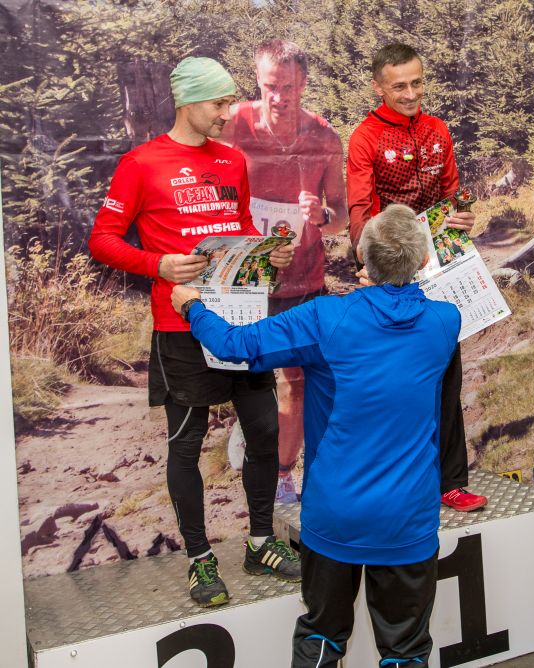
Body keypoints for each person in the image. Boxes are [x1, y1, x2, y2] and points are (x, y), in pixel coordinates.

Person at [171, 204, 458, 668]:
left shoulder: (327, 317)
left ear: (362, 259)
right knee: (406, 653)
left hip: (336, 515)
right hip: (408, 517)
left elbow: (233, 345)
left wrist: (192, 306)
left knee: (321, 639)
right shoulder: (445, 321)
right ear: (423, 261)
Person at [87, 57, 299, 607]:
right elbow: (103, 239)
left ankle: (260, 542)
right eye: (220, 103)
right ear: (188, 101)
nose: (229, 113)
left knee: (264, 433)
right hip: (179, 323)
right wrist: (156, 264)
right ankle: (200, 559)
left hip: (241, 318)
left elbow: (241, 227)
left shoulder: (231, 159)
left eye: (231, 101)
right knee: (186, 444)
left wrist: (268, 254)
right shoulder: (140, 163)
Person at [346, 42, 487, 512]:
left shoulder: (437, 130)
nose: (410, 94)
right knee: (397, 384)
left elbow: (453, 196)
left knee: (447, 375)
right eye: (399, 86)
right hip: (390, 272)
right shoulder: (366, 137)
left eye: (417, 82)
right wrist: (366, 258)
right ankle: (396, 486)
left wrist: (463, 217)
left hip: (439, 267)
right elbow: (360, 209)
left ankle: (451, 482)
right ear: (378, 87)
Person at [219, 39, 348, 504]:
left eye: (289, 87)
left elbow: (341, 217)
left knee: (296, 379)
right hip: (243, 273)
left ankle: (282, 474)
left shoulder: (324, 138)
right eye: (271, 86)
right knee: (245, 371)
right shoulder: (233, 125)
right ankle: (249, 428)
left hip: (302, 276)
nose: (279, 97)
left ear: (304, 83)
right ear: (258, 81)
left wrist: (320, 216)